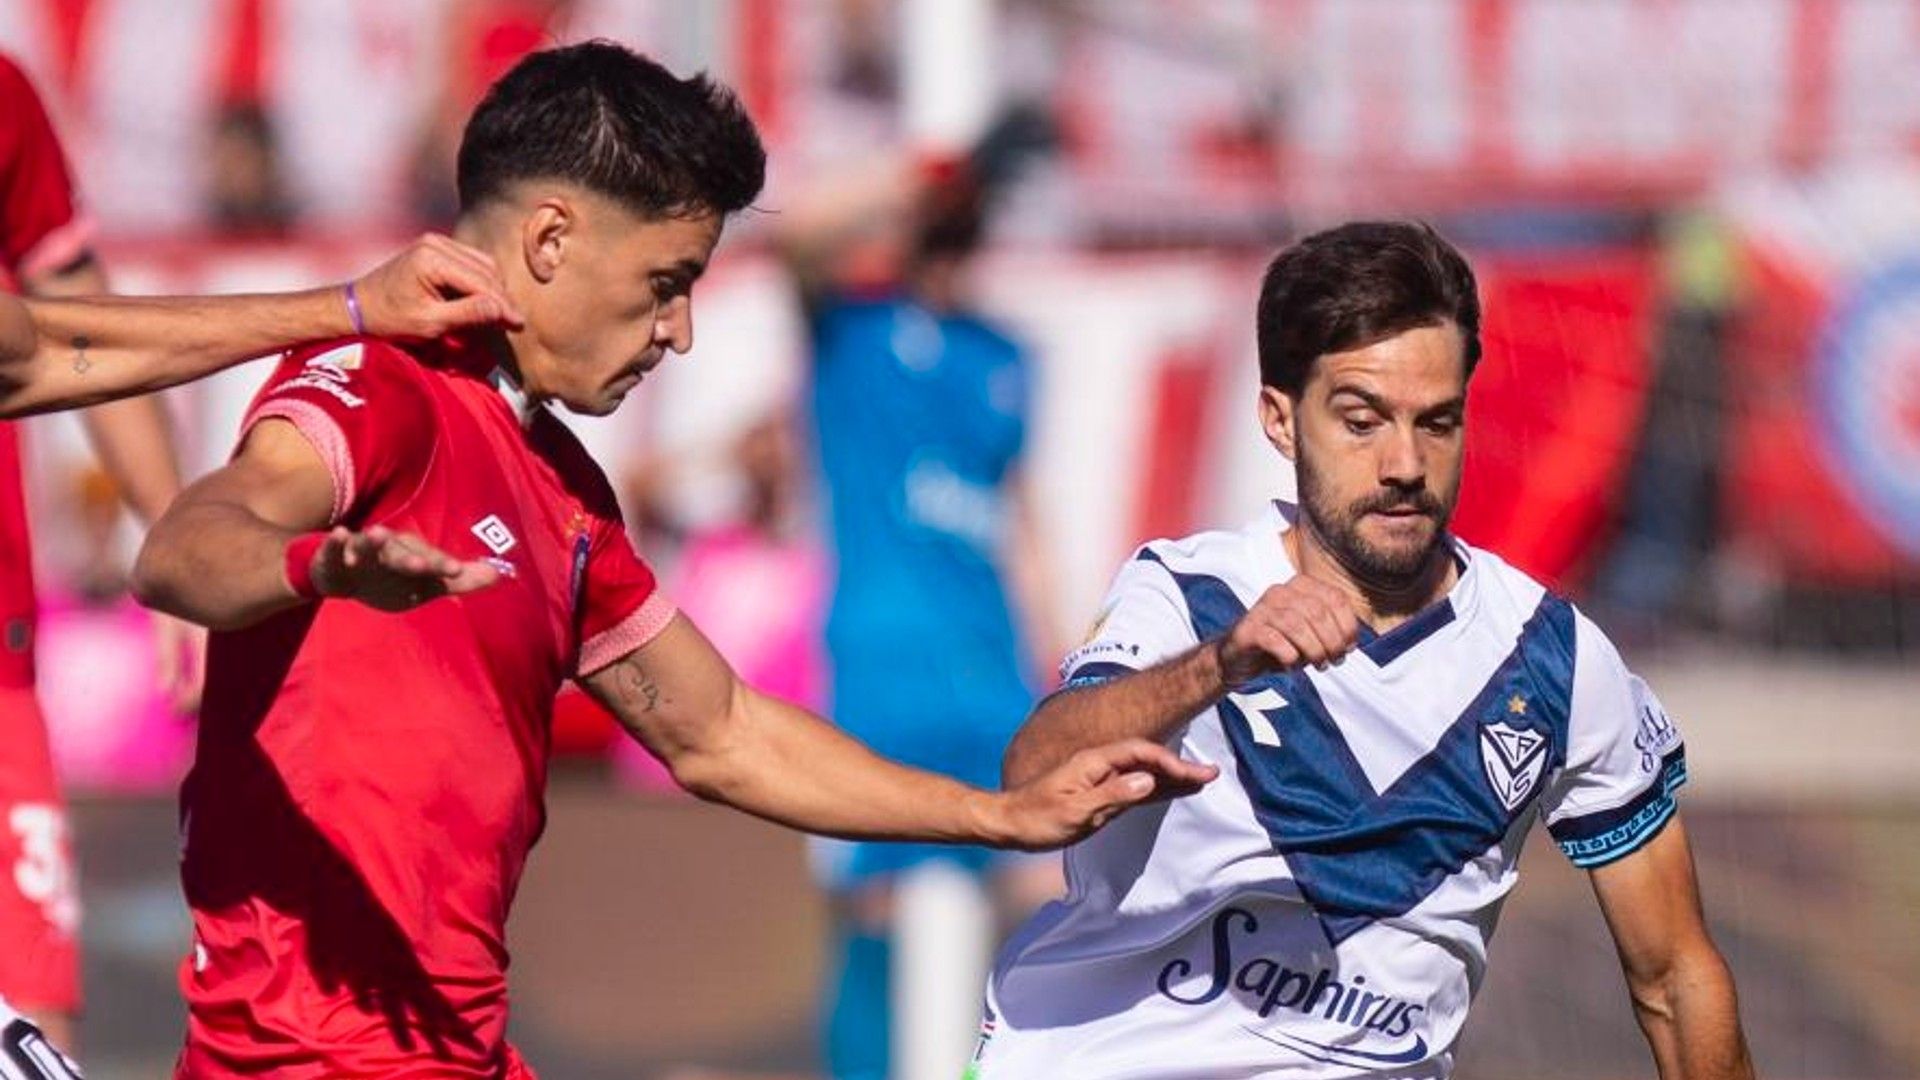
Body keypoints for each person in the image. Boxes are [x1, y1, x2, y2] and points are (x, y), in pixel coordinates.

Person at [130, 42, 1210, 1079]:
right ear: (550, 241)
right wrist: (320, 567)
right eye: (665, 281)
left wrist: (996, 815)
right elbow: (185, 548)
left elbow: (721, 730)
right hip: (310, 1060)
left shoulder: (562, 488)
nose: (679, 330)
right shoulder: (382, 390)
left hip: (461, 1052)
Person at [974, 222, 1755, 1079]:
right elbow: (1032, 772)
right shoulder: (1190, 596)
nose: (1405, 463)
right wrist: (1219, 666)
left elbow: (1675, 975)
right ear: (1280, 420)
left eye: (1437, 423)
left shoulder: (1552, 659)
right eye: (1362, 422)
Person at [774, 141, 1063, 1079]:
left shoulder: (1007, 355)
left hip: (991, 671)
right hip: (881, 670)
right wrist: (926, 167)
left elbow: (1020, 516)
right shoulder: (850, 333)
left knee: (1048, 895)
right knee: (875, 905)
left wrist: (1060, 662)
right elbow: (799, 232)